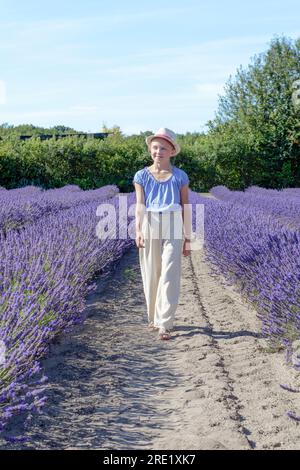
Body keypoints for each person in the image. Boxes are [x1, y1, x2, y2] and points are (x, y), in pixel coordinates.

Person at [132, 128, 191, 341]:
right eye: (155, 147)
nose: (158, 151)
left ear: (172, 151)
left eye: (163, 148)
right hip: (149, 222)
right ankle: (154, 319)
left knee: (169, 273)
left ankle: (165, 323)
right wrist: (138, 230)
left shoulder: (180, 176)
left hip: (173, 222)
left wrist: (188, 237)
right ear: (150, 149)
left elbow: (186, 206)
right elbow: (140, 205)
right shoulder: (141, 176)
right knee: (151, 272)